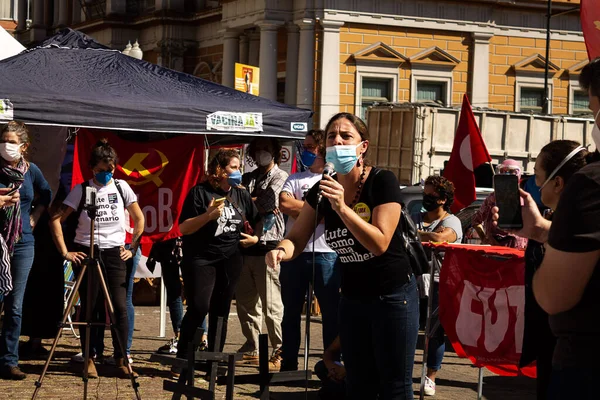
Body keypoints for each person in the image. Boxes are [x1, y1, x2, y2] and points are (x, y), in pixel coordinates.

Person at [267, 113, 419, 399]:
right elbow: (297, 238)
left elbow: (380, 243)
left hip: (393, 297)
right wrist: (280, 251)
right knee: (357, 384)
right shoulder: (321, 189)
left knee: (394, 386)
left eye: (346, 136)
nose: (337, 140)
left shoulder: (382, 181)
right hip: (352, 299)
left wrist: (341, 207)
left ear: (363, 147)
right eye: (331, 136)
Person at [493, 58, 600, 397]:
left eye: (593, 108)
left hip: (586, 365)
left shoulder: (591, 185)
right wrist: (540, 231)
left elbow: (553, 297)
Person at [49, 139, 144, 379]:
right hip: (87, 251)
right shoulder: (82, 189)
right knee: (89, 310)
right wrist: (65, 252)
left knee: (120, 308)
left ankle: (122, 358)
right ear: (93, 168)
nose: (106, 174)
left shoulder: (122, 188)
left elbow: (139, 218)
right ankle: (89, 358)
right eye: (101, 170)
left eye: (110, 169)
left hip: (114, 252)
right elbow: (56, 219)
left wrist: (132, 247)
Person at [516, 141, 590, 399]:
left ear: (557, 183)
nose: (535, 185)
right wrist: (538, 231)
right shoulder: (563, 221)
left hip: (578, 356)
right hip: (557, 347)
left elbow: (552, 296)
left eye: (537, 176)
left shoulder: (580, 219)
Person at [175, 149, 259, 376]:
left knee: (221, 310)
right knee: (200, 306)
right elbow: (183, 228)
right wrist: (208, 216)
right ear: (219, 170)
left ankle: (213, 361)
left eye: (239, 167)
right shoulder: (200, 193)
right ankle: (183, 357)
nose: (238, 172)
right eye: (233, 167)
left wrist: (256, 238)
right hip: (201, 258)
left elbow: (257, 218)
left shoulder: (240, 193)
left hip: (231, 258)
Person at [279, 129, 340, 372]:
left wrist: (303, 209)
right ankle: (289, 363)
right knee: (290, 312)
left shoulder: (332, 179)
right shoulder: (294, 177)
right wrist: (315, 211)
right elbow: (284, 203)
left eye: (309, 146)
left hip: (327, 254)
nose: (304, 151)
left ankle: (331, 364)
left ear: (322, 149)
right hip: (295, 253)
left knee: (330, 314)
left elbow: (331, 213)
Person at [0, 121, 52, 380]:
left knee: (15, 304)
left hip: (23, 242)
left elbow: (46, 194)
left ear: (24, 146)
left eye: (11, 142)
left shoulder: (32, 172)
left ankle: (9, 360)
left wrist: (36, 215)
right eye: (4, 141)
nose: (6, 146)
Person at [236, 137, 288, 371]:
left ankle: (279, 348)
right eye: (258, 150)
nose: (262, 154)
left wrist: (246, 200)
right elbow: (237, 202)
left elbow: (269, 201)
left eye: (266, 150)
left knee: (271, 304)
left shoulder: (280, 177)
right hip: (245, 247)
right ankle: (252, 346)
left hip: (269, 246)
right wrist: (249, 201)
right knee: (246, 303)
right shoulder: (249, 177)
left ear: (275, 153)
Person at [411, 175, 462, 397]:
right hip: (413, 279)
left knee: (434, 332)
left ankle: (431, 376)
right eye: (425, 194)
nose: (426, 198)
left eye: (431, 195)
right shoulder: (415, 216)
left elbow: (440, 239)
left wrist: (415, 235)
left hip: (439, 281)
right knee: (410, 328)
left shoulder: (452, 221)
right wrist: (424, 235)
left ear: (442, 199)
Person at [472, 159, 528, 250]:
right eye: (503, 171)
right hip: (494, 248)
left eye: (511, 172)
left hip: (517, 249)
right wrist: (485, 238)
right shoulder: (492, 198)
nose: (507, 175)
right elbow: (476, 220)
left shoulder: (524, 198)